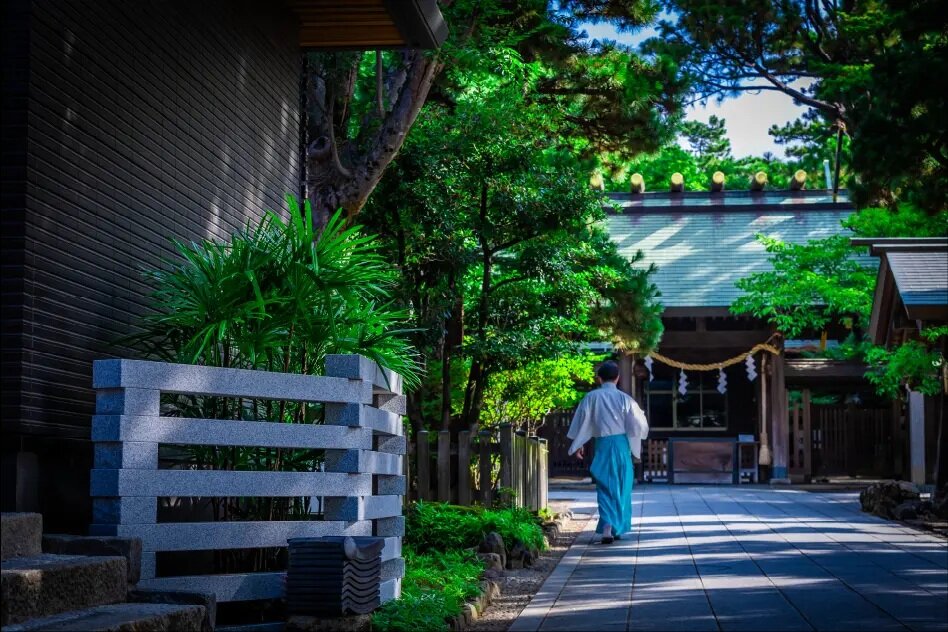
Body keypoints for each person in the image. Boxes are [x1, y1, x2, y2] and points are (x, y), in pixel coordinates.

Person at [567, 360, 649, 544]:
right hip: (621, 444)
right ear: (618, 378)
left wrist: (579, 443)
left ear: (599, 378)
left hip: (602, 444)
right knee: (622, 485)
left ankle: (607, 527)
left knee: (605, 485)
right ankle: (615, 526)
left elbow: (583, 424)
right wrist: (634, 439)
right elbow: (638, 425)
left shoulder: (591, 397)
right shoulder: (625, 399)